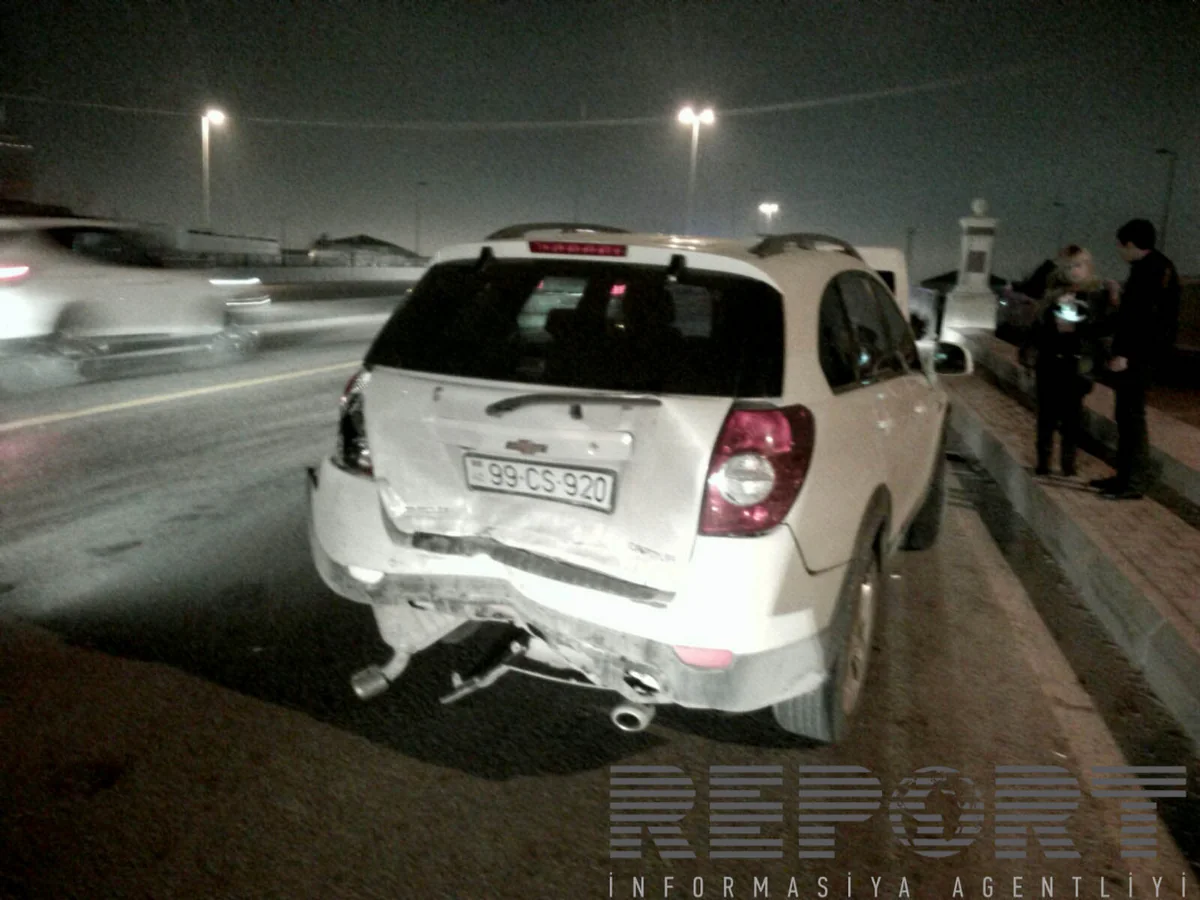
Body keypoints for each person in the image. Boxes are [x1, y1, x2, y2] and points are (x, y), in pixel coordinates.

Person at [1089, 219, 1181, 500]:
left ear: (1130, 244)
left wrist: (1124, 354)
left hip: (1139, 357)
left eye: (1120, 245)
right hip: (1144, 354)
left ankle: (1132, 483)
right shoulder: (1158, 267)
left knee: (1131, 418)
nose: (1119, 251)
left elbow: (1141, 320)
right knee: (1127, 417)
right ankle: (1124, 477)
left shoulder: (1149, 272)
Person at [1020, 246, 1108, 477]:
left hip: (1076, 364)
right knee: (1046, 416)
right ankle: (1043, 462)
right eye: (1068, 266)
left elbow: (1100, 330)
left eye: (1078, 265)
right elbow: (1038, 325)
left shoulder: (1096, 294)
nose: (1073, 271)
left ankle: (1068, 464)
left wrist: (1075, 325)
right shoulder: (1052, 293)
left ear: (1088, 267)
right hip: (1049, 361)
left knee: (1072, 418)